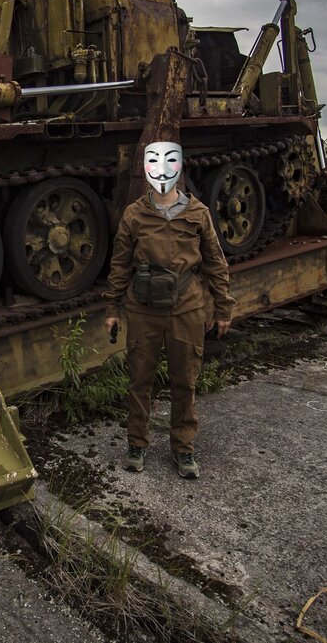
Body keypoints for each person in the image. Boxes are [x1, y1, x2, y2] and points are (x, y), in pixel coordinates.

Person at [103, 141, 234, 478]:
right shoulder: (134, 214)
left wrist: (223, 308)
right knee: (139, 379)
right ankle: (136, 444)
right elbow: (119, 264)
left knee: (185, 381)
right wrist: (112, 308)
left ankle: (184, 449)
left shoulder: (198, 213)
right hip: (144, 308)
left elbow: (216, 264)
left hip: (186, 306)